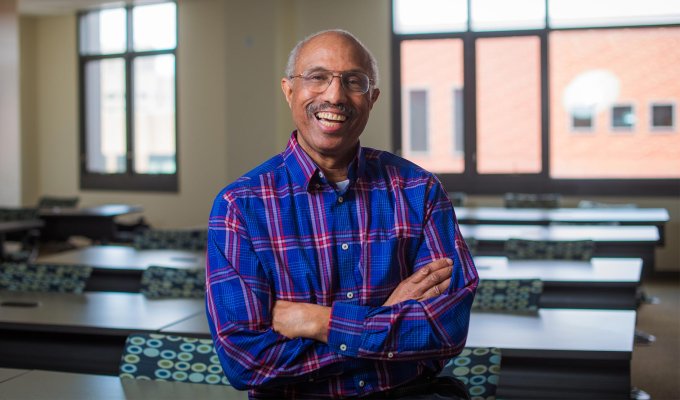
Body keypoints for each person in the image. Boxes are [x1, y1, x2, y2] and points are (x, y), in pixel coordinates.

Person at [206, 29, 478, 399]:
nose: (334, 95)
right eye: (317, 77)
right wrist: (387, 320)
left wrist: (319, 321)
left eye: (353, 81)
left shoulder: (420, 191)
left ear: (372, 98)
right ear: (289, 90)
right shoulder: (239, 207)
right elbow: (247, 362)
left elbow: (446, 330)